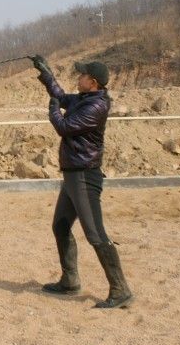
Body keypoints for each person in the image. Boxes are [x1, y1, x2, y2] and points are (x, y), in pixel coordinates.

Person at [31, 55, 133, 308]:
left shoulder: (96, 106)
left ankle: (120, 289)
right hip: (72, 174)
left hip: (84, 176)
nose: (79, 77)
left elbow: (64, 126)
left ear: (93, 82)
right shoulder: (86, 99)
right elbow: (62, 96)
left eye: (83, 75)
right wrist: (46, 74)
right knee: (61, 226)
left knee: (95, 234)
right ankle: (70, 281)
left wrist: (53, 109)